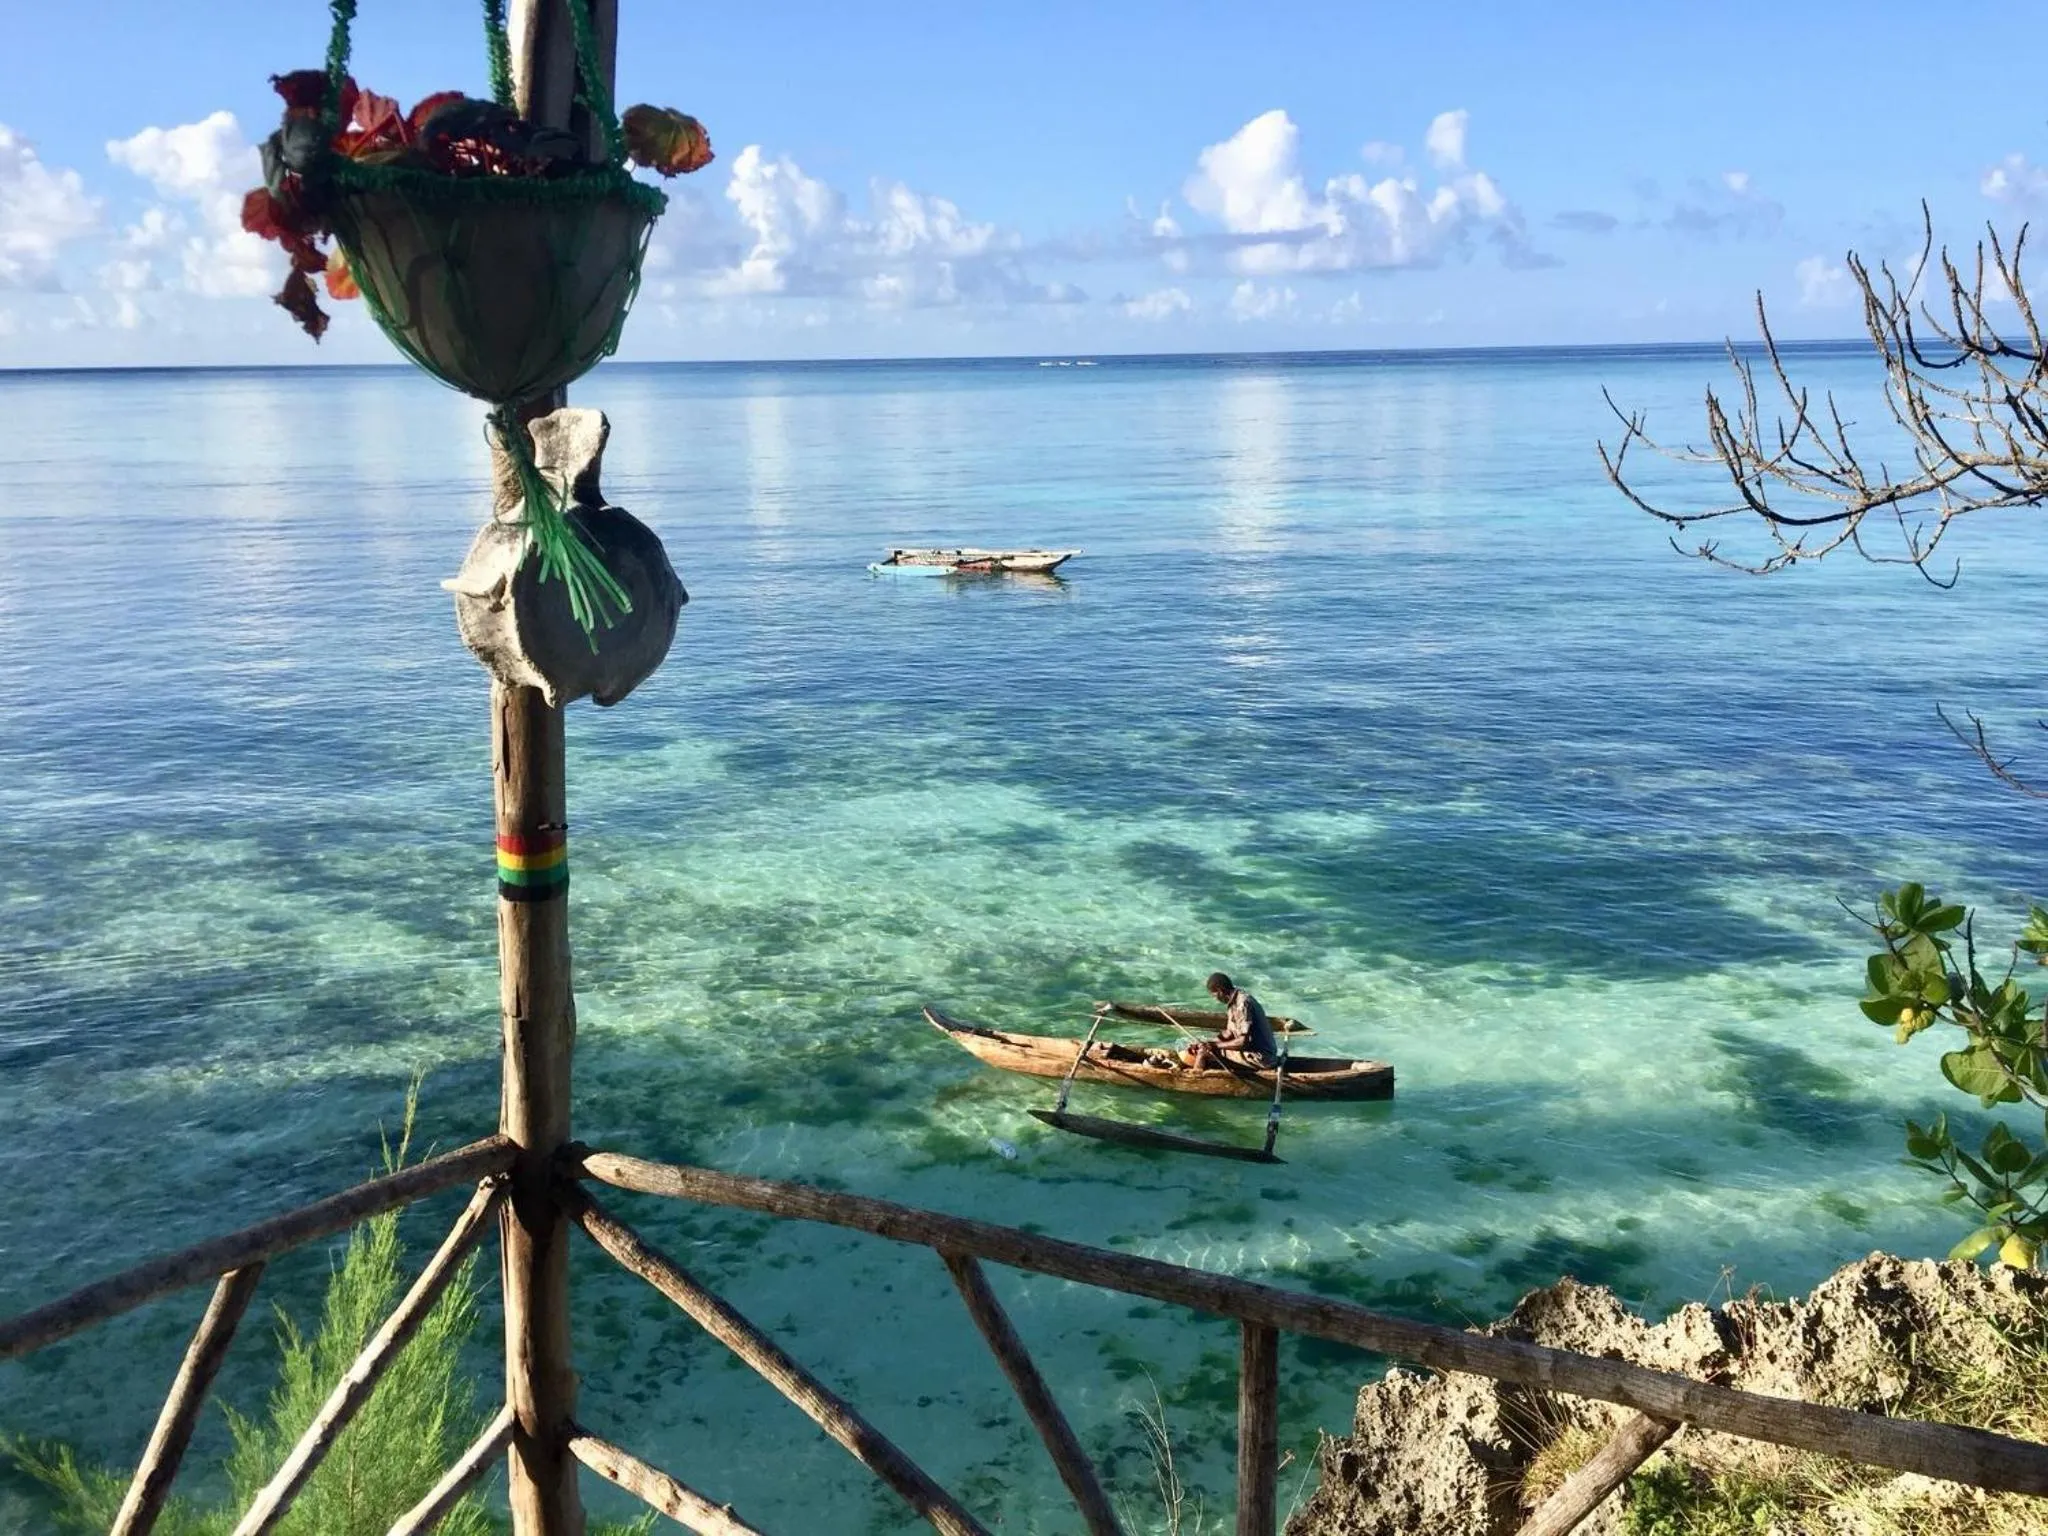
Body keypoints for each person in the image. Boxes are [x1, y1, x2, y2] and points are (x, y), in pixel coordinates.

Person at [1182, 971, 1277, 1069]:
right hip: (1254, 1052)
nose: (1215, 999)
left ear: (1220, 991)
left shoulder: (1242, 1004)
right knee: (1203, 1049)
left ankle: (1196, 1079)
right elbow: (1229, 1032)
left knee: (1203, 1054)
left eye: (1214, 995)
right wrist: (1206, 1043)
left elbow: (1243, 1042)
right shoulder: (1234, 1000)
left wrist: (1215, 1046)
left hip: (1261, 1057)